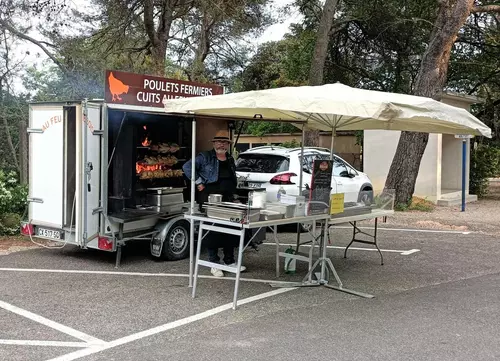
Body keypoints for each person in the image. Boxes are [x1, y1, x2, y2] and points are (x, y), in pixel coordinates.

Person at [182, 129, 246, 277]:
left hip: (228, 199)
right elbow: (187, 167)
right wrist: (198, 183)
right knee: (213, 230)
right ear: (214, 143)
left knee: (230, 229)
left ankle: (229, 261)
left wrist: (235, 195)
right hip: (210, 199)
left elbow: (232, 179)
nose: (221, 144)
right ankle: (214, 263)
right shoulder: (205, 157)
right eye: (219, 141)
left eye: (224, 142)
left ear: (228, 145)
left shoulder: (230, 159)